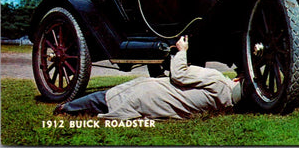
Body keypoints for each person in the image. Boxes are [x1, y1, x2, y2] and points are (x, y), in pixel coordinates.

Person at [54, 36, 243, 120]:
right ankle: (70, 109)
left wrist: (182, 51)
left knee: (107, 97)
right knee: (111, 100)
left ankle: (66, 108)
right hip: (156, 109)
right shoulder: (226, 107)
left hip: (148, 94)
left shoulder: (217, 80)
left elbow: (178, 75)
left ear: (236, 80)